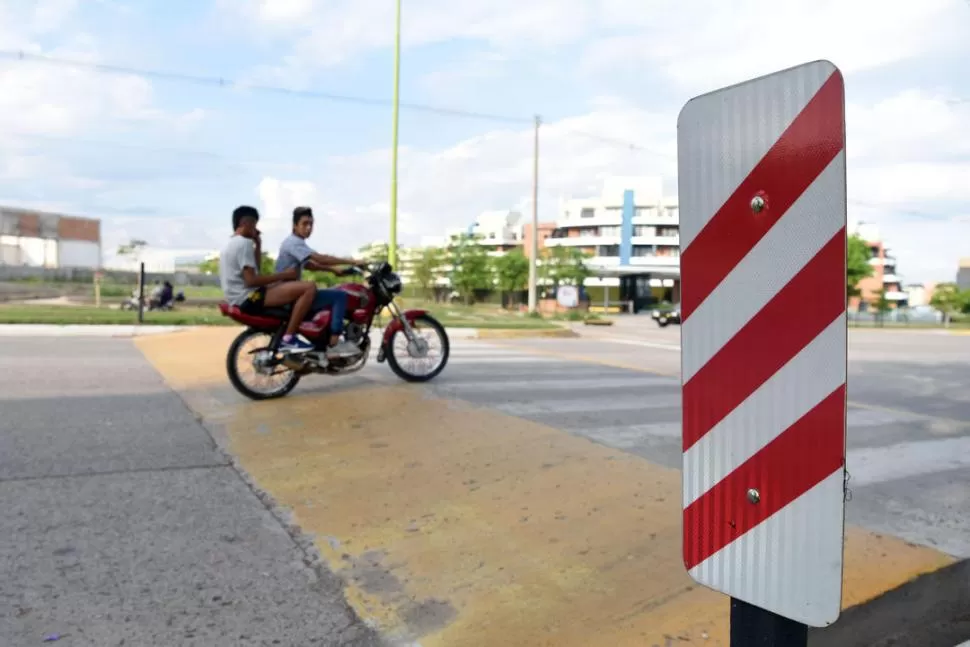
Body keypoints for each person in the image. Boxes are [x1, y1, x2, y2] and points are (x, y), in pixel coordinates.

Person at [219, 205, 316, 354]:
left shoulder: (230, 244)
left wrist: (258, 244)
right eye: (255, 225)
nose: (256, 229)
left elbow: (255, 270)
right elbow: (251, 281)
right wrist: (285, 275)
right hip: (249, 297)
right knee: (308, 287)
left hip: (239, 297)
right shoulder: (244, 243)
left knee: (281, 285)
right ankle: (289, 339)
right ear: (247, 224)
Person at [275, 206, 363, 358]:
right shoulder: (294, 242)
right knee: (339, 296)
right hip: (288, 294)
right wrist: (352, 261)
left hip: (287, 291)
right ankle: (334, 342)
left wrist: (334, 271)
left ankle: (320, 342)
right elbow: (320, 258)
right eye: (304, 224)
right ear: (295, 225)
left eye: (311, 224)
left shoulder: (295, 243)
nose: (308, 228)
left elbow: (309, 264)